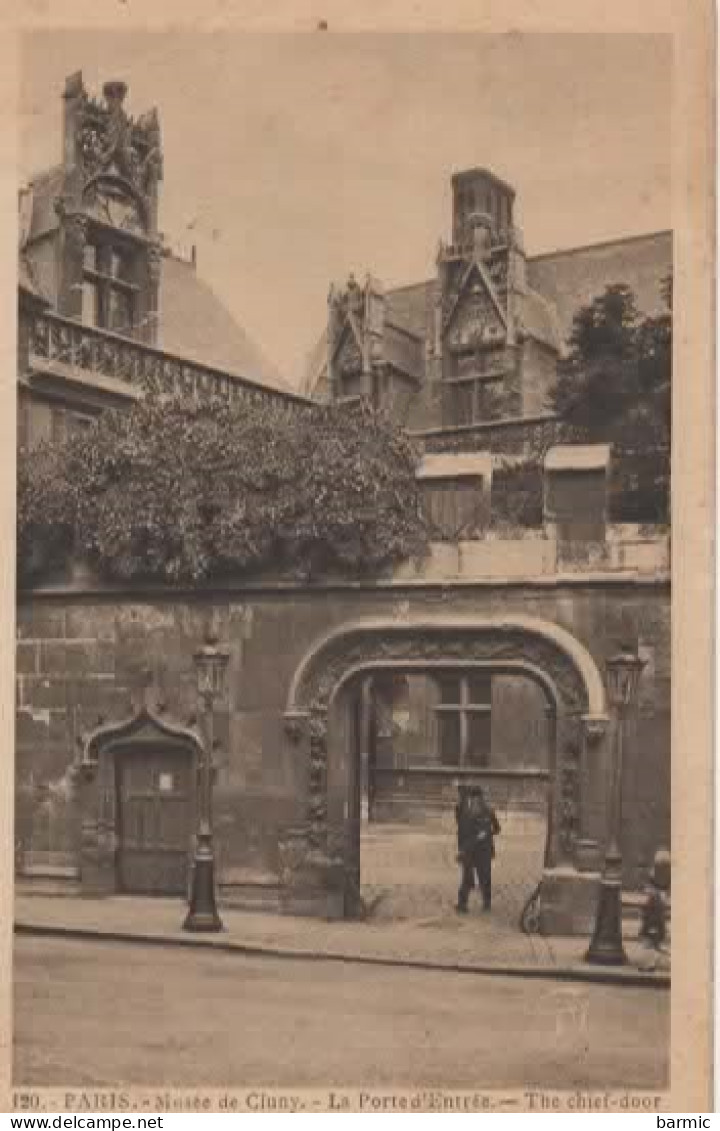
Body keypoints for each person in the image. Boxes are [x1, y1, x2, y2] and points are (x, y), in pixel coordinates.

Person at [455, 785, 501, 913]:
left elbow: (497, 829)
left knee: (485, 878)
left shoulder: (489, 811)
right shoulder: (464, 812)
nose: (475, 801)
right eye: (473, 798)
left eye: (477, 798)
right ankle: (462, 904)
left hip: (483, 851)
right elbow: (461, 832)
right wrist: (461, 850)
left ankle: (486, 904)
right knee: (467, 878)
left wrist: (487, 833)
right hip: (469, 850)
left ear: (481, 798)